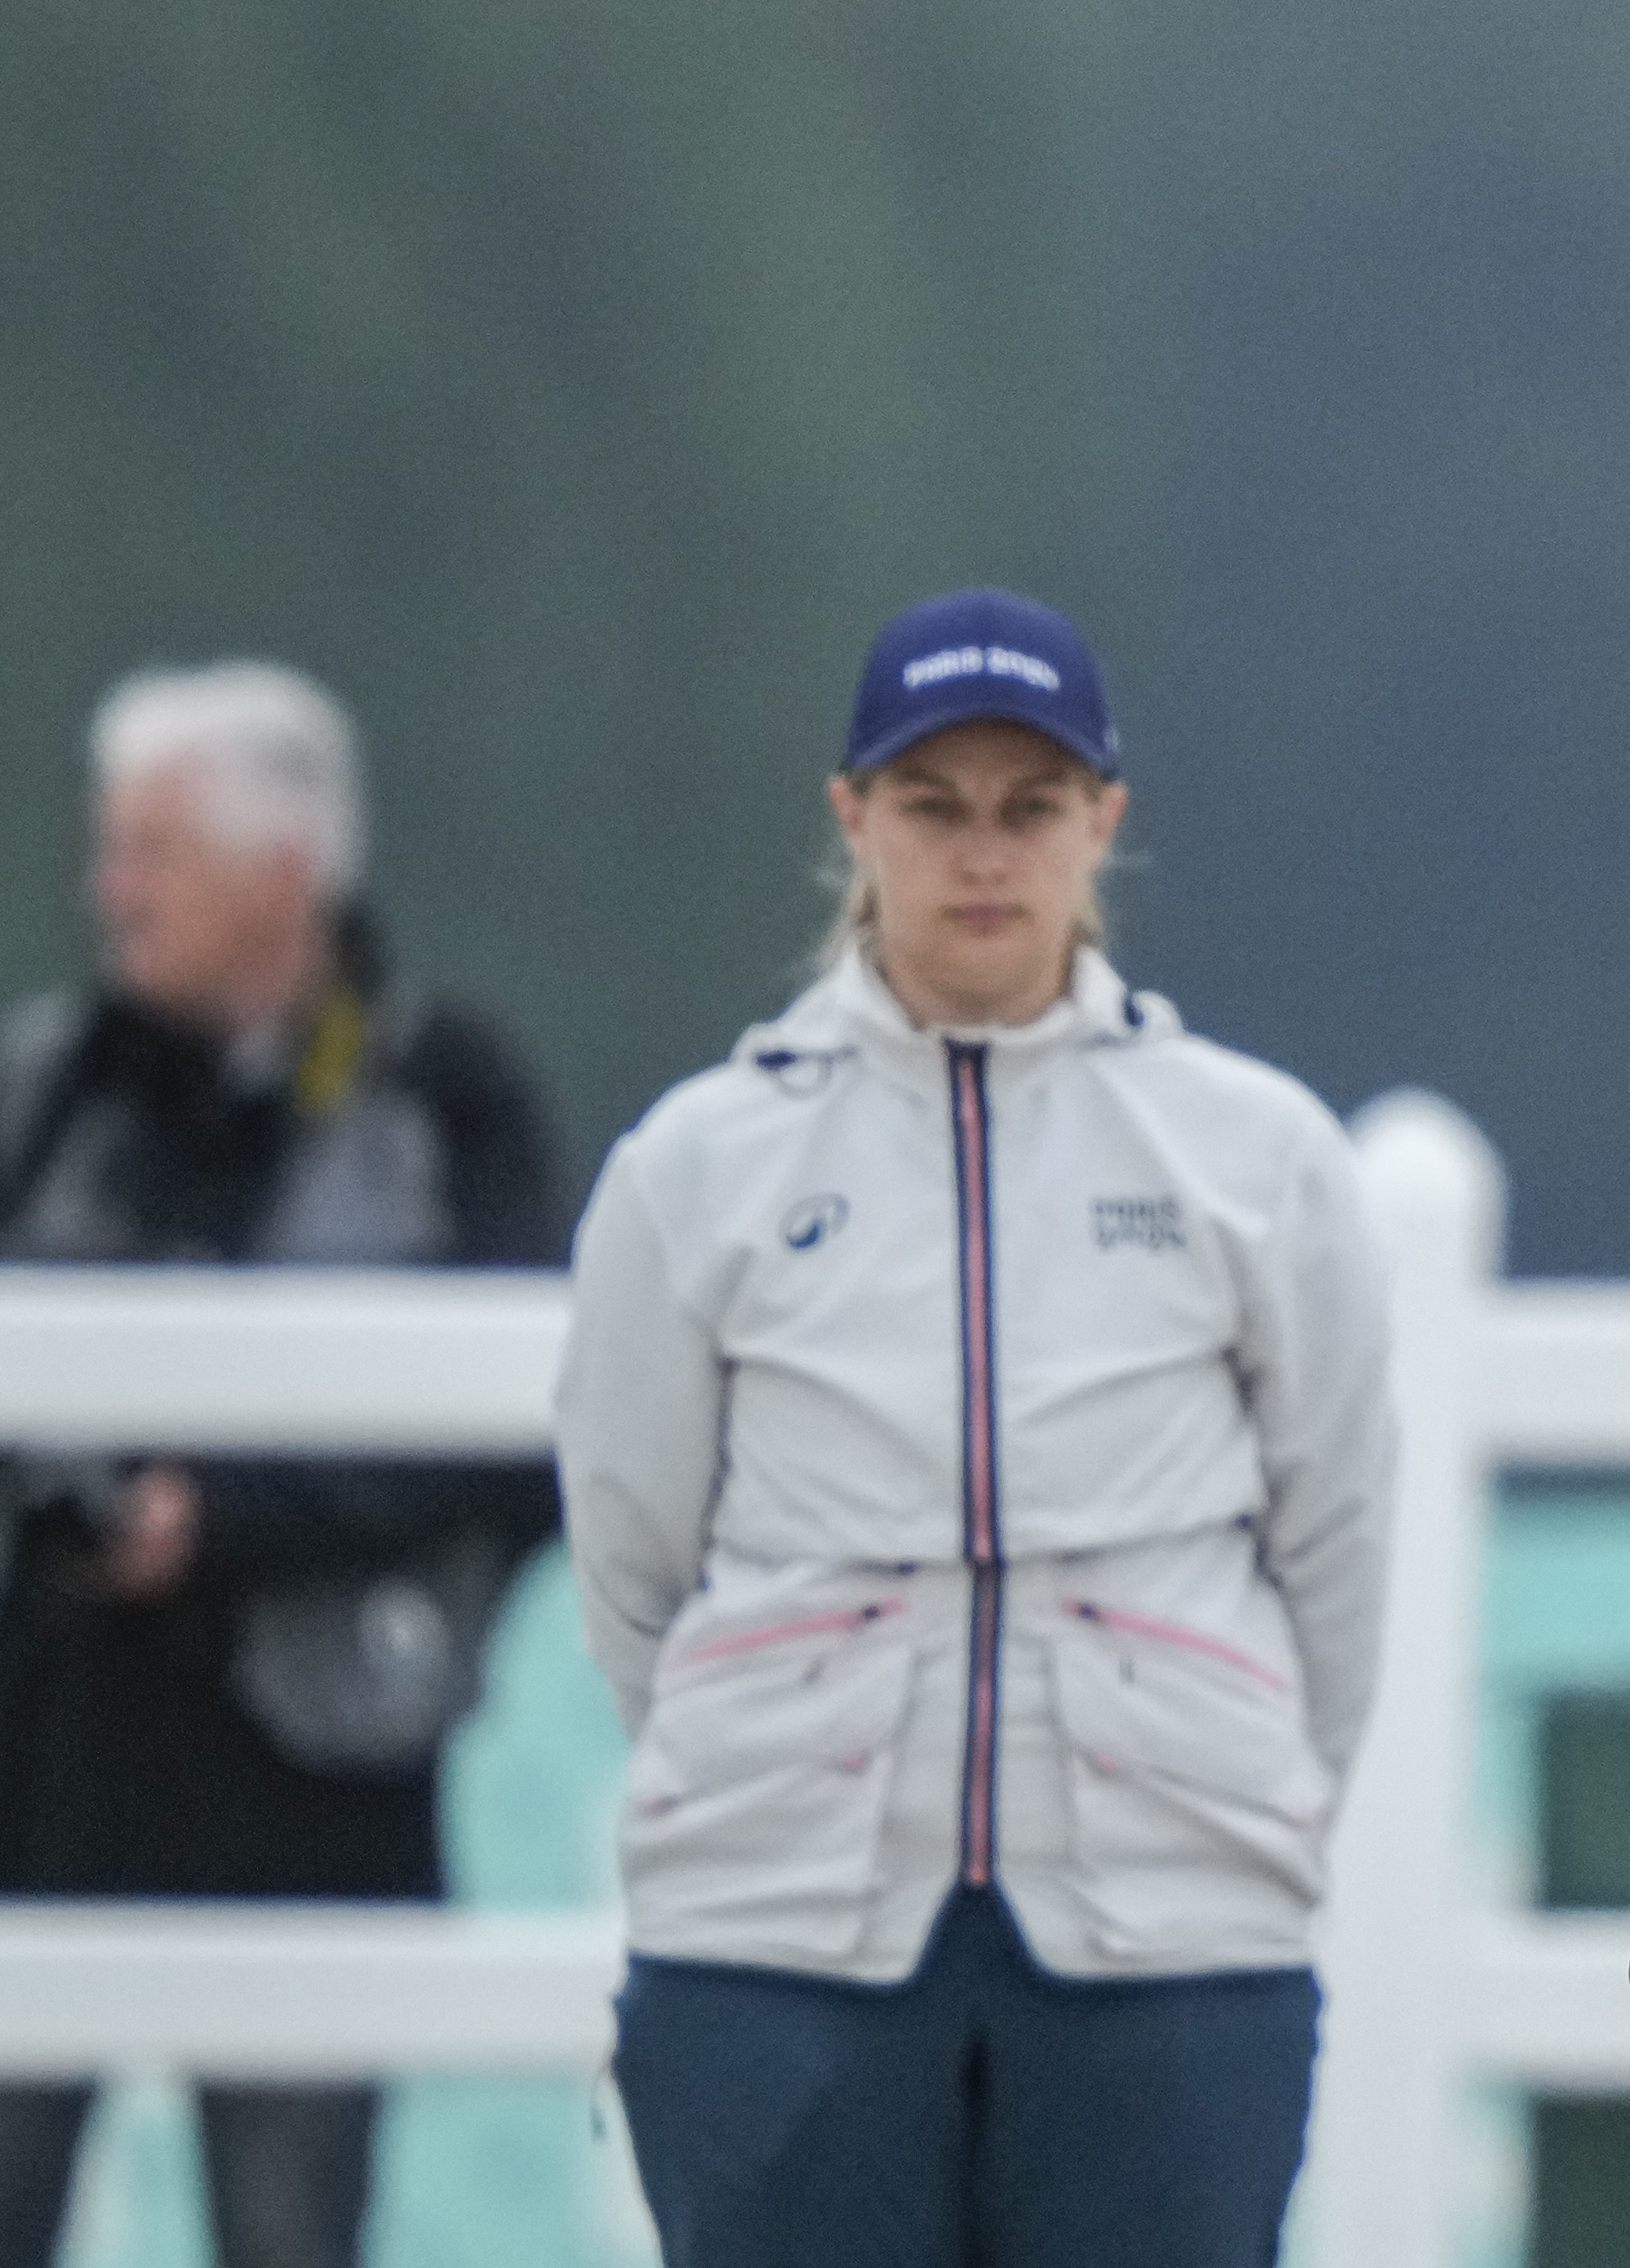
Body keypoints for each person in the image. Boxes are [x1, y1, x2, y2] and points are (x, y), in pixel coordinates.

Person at [555, 591, 1394, 2268]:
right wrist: (779, 1743)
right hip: (773, 1924)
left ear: (1104, 822)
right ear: (853, 817)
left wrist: (1244, 1800)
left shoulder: (1256, 1152)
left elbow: (1338, 1543)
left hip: (1173, 1918)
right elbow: (631, 1554)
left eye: (1029, 805)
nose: (982, 853)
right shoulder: (697, 1163)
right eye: (933, 804)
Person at [0, 662, 564, 2268]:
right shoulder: (49, 1080)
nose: (110, 890)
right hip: (36, 1785)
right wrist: (68, 1470)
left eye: (152, 849)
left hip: (308, 1794)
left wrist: (228, 1514)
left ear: (287, 874)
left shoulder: (439, 1098)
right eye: (109, 845)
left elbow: (524, 1440)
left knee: (291, 2239)